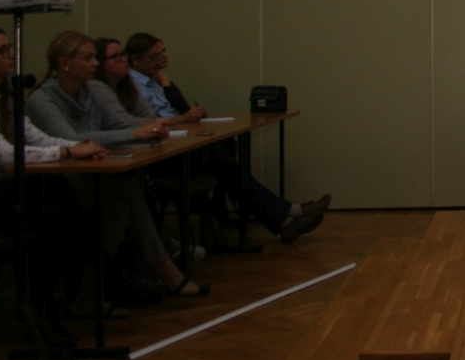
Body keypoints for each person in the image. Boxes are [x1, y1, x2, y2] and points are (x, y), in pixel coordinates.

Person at [27, 30, 208, 299]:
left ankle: (93, 289)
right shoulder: (42, 99)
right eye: (88, 58)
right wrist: (136, 133)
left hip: (93, 175)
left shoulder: (89, 91)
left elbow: (118, 125)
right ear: (64, 63)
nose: (95, 63)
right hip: (55, 186)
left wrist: (150, 132)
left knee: (122, 203)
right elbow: (72, 139)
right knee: (125, 192)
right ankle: (158, 271)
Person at [122, 33, 328, 244]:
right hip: (160, 156)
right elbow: (147, 125)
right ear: (135, 60)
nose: (161, 59)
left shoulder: (156, 81)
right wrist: (182, 118)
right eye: (154, 56)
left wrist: (166, 84)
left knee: (226, 150)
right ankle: (285, 213)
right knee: (225, 165)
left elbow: (182, 108)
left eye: (163, 52)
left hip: (178, 144)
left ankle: (280, 216)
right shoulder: (130, 86)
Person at [0, 27, 106, 331]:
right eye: (1, 51)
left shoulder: (4, 97)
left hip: (6, 190)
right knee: (52, 203)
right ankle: (47, 305)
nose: (11, 55)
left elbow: (36, 137)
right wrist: (68, 152)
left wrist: (78, 147)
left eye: (10, 48)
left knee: (57, 200)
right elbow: (4, 155)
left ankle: (59, 299)